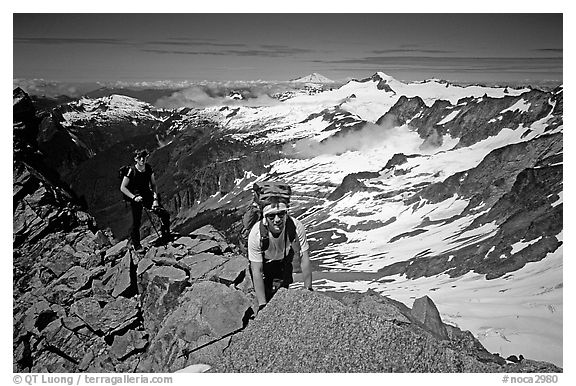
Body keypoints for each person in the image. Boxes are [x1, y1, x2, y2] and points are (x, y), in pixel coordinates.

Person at [247, 195, 312, 310]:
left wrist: (308, 289)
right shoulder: (256, 234)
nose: (277, 219)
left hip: (284, 260)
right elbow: (257, 270)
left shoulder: (296, 227)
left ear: (286, 215)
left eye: (281, 214)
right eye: (271, 216)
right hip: (265, 261)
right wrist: (262, 305)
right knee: (266, 294)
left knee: (282, 292)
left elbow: (304, 258)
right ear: (265, 218)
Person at [120, 149, 171, 251]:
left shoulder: (148, 168)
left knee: (164, 214)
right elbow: (123, 188)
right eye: (139, 157)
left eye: (144, 157)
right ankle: (137, 246)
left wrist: (155, 199)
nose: (142, 159)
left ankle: (165, 235)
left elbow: (153, 185)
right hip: (136, 198)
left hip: (147, 195)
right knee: (137, 223)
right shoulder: (131, 171)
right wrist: (134, 197)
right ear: (136, 159)